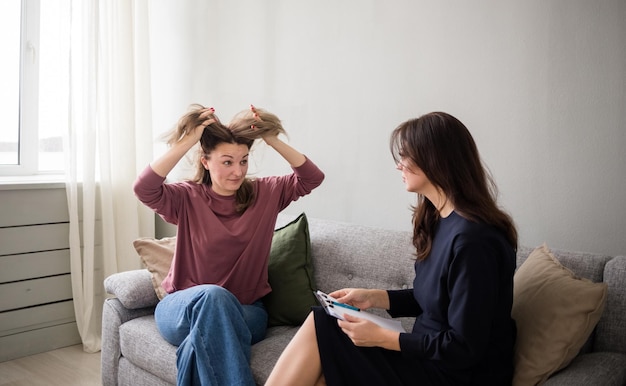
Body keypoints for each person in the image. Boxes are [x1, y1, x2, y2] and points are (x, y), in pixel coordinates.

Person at [266, 112, 517, 386]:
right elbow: (438, 299)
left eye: (405, 156)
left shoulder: (475, 241)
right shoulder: (439, 220)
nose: (399, 166)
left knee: (321, 326)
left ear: (435, 160)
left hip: (454, 374)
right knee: (320, 369)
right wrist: (374, 297)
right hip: (427, 360)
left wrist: (384, 338)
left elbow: (464, 347)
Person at [133, 104, 324, 386]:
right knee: (212, 296)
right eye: (227, 162)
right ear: (205, 161)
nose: (238, 171)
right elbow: (144, 188)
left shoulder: (266, 193)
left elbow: (312, 177)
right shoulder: (187, 197)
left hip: (248, 312)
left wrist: (271, 138)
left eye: (243, 161)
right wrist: (188, 140)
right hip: (180, 308)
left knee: (202, 334)